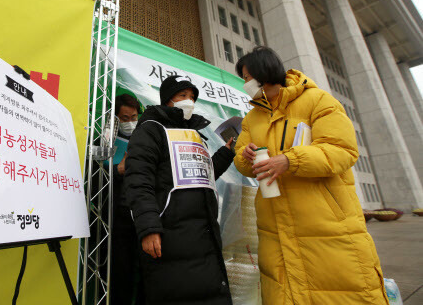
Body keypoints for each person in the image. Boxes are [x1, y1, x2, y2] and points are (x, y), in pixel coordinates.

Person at [233, 46, 388, 305]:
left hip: (325, 221)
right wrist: (244, 156)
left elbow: (342, 150)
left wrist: (290, 160)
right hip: (275, 225)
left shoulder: (317, 100)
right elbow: (242, 160)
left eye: (247, 77)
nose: (245, 84)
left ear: (264, 73)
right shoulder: (252, 117)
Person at [124, 75, 235, 305]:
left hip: (202, 235)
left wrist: (225, 153)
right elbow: (138, 179)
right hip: (169, 238)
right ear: (167, 100)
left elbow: (201, 177)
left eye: (192, 97)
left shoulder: (194, 134)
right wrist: (148, 228)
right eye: (182, 95)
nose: (189, 101)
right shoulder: (150, 130)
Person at [110, 94, 144, 305]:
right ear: (114, 118)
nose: (130, 123)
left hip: (141, 218)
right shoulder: (105, 142)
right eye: (124, 118)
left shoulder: (144, 141)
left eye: (134, 117)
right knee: (120, 273)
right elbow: (94, 178)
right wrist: (117, 170)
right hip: (115, 219)